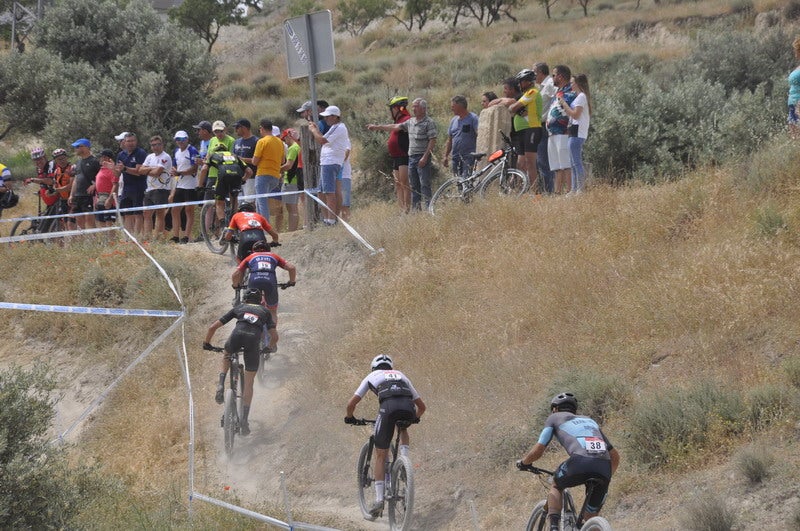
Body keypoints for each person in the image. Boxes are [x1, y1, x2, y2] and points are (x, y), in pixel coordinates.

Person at [516, 392, 620, 531]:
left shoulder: (554, 417)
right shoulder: (590, 421)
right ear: (574, 409)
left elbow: (540, 448)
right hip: (604, 467)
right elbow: (615, 456)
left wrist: (524, 462)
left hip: (580, 462)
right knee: (591, 516)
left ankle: (553, 527)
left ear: (554, 409)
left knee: (556, 484)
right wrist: (606, 476)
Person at [344, 354, 427, 518]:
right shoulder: (402, 375)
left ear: (374, 367)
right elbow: (422, 407)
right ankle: (404, 460)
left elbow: (351, 403)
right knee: (402, 426)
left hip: (388, 408)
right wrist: (413, 418)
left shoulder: (372, 376)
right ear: (390, 367)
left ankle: (379, 499)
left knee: (381, 455)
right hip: (408, 408)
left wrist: (349, 417)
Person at [203, 287, 277, 436]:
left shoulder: (239, 307)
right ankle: (244, 420)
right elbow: (274, 337)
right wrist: (268, 348)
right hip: (252, 343)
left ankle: (220, 384)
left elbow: (213, 327)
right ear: (259, 301)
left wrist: (207, 343)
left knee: (227, 353)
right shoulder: (265, 312)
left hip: (236, 338)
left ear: (245, 298)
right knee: (249, 384)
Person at [367, 98, 437, 211]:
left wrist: (425, 156)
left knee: (423, 184)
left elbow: (432, 139)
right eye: (413, 106)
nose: (413, 109)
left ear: (423, 108)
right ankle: (415, 209)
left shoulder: (428, 122)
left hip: (418, 157)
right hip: (410, 157)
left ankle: (429, 208)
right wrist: (377, 127)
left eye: (416, 106)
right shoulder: (410, 121)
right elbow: (395, 127)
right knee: (412, 185)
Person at [231, 239, 296, 327]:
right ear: (268, 249)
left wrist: (236, 285)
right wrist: (291, 282)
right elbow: (291, 268)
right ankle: (272, 333)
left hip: (254, 281)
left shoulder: (251, 257)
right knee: (272, 311)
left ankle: (250, 329)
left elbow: (235, 274)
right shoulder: (274, 256)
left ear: (253, 250)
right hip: (270, 282)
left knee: (250, 309)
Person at [309, 105, 350, 225]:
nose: (325, 119)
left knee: (329, 192)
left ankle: (331, 220)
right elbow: (323, 138)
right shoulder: (336, 127)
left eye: (327, 117)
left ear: (334, 116)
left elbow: (321, 140)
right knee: (322, 191)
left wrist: (313, 130)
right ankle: (328, 218)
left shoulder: (339, 127)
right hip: (330, 161)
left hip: (330, 161)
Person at [200, 143, 252, 228]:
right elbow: (249, 171)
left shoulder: (212, 155)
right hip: (237, 176)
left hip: (223, 175)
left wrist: (200, 185)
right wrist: (243, 180)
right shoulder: (234, 156)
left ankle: (224, 227)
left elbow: (204, 169)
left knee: (219, 203)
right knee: (234, 201)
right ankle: (234, 225)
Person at [488, 77, 530, 176]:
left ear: (512, 89)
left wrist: (504, 100)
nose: (504, 91)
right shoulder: (509, 98)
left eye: (506, 88)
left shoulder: (520, 96)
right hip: (513, 135)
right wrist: (502, 99)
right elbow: (490, 104)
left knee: (521, 161)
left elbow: (508, 103)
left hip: (522, 133)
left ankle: (519, 183)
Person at [509, 69, 543, 191]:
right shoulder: (526, 94)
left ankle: (536, 195)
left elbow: (513, 107)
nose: (519, 84)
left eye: (521, 81)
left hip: (531, 129)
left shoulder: (532, 92)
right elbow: (514, 108)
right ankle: (520, 192)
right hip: (523, 131)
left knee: (530, 164)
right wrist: (520, 110)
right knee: (520, 164)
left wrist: (518, 109)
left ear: (528, 82)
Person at [546, 65, 577, 195]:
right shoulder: (557, 93)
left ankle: (569, 191)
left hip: (563, 133)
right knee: (557, 166)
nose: (552, 78)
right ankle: (557, 193)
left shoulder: (570, 92)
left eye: (553, 75)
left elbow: (569, 108)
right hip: (552, 134)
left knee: (566, 164)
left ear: (560, 76)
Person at [560, 74, 592, 194]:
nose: (571, 85)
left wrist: (564, 104)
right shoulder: (579, 97)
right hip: (574, 131)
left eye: (572, 82)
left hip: (578, 133)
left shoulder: (581, 97)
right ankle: (574, 189)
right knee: (573, 162)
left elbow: (575, 114)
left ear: (578, 83)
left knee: (576, 162)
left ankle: (580, 189)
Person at [139, 135, 173, 239]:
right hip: (149, 188)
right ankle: (147, 237)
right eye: (153, 145)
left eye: (158, 144)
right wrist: (151, 168)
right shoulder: (149, 157)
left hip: (161, 188)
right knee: (146, 213)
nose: (155, 147)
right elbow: (140, 170)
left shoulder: (165, 157)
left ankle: (158, 237)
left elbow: (157, 173)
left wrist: (147, 170)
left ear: (162, 145)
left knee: (159, 213)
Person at [251, 118, 285, 221]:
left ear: (262, 128)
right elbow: (283, 160)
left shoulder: (262, 141)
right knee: (259, 200)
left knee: (262, 203)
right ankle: (259, 224)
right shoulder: (279, 142)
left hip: (263, 174)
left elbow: (254, 161)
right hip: (275, 176)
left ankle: (265, 228)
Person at [169, 130, 199, 243]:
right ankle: (176, 235)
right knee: (175, 210)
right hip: (179, 184)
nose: (180, 142)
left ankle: (186, 235)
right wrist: (175, 172)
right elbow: (175, 165)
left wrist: (180, 173)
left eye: (182, 139)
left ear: (187, 139)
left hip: (190, 185)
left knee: (189, 210)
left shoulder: (192, 150)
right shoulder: (176, 151)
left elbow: (194, 168)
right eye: (178, 139)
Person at [116, 132, 148, 234]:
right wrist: (112, 168)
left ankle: (137, 237)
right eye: (128, 141)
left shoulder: (140, 153)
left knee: (138, 213)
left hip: (139, 187)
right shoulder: (121, 155)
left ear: (136, 141)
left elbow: (138, 172)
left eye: (133, 141)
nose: (130, 143)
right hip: (126, 188)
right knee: (126, 213)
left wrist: (125, 168)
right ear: (124, 142)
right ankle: (128, 237)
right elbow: (117, 173)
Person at [442, 95, 479, 178]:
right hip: (455, 157)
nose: (451, 109)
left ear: (460, 106)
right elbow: (450, 140)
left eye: (453, 106)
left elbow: (479, 135)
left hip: (468, 157)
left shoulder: (473, 118)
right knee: (457, 181)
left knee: (466, 180)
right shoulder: (453, 120)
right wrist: (446, 156)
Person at [535, 62, 557, 194]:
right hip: (540, 126)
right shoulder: (542, 87)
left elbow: (559, 95)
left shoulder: (549, 84)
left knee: (543, 161)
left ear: (541, 72)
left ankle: (549, 191)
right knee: (540, 161)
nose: (533, 75)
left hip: (545, 126)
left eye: (535, 72)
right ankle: (546, 189)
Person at [68, 138, 99, 230]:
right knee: (79, 221)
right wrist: (71, 195)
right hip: (78, 195)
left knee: (90, 220)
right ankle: (83, 241)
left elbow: (102, 176)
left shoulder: (94, 161)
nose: (76, 149)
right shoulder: (78, 162)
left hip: (89, 195)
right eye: (76, 147)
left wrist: (95, 185)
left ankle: (93, 240)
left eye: (78, 146)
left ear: (86, 147)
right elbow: (76, 179)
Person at [280, 128, 302, 231]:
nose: (285, 142)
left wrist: (276, 169)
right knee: (292, 207)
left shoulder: (293, 148)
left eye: (284, 139)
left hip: (290, 180)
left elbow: (289, 165)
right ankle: (292, 229)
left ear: (288, 136)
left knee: (292, 208)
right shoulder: (298, 147)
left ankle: (292, 230)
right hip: (294, 180)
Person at [51, 148, 76, 231]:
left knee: (71, 223)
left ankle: (77, 242)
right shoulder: (56, 172)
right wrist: (51, 192)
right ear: (55, 161)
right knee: (65, 223)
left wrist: (56, 190)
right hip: (63, 200)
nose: (61, 161)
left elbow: (70, 186)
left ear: (67, 157)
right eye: (59, 159)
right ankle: (70, 243)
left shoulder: (72, 168)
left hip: (73, 200)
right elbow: (55, 186)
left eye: (63, 158)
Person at [93, 148, 120, 228]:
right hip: (100, 198)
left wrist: (110, 199)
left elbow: (115, 185)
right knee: (100, 222)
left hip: (108, 198)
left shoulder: (112, 170)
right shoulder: (101, 170)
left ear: (107, 158)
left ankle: (111, 240)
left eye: (102, 157)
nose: (100, 159)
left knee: (109, 222)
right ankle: (104, 240)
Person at [233, 118, 258, 199]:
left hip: (251, 178)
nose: (235, 130)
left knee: (249, 203)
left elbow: (258, 161)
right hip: (237, 177)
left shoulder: (256, 141)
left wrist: (241, 159)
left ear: (244, 128)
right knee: (237, 203)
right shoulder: (236, 142)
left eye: (237, 127)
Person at [788, 36, 800, 137]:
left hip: (799, 104)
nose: (794, 52)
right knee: (794, 137)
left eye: (795, 49)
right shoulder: (798, 67)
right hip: (793, 104)